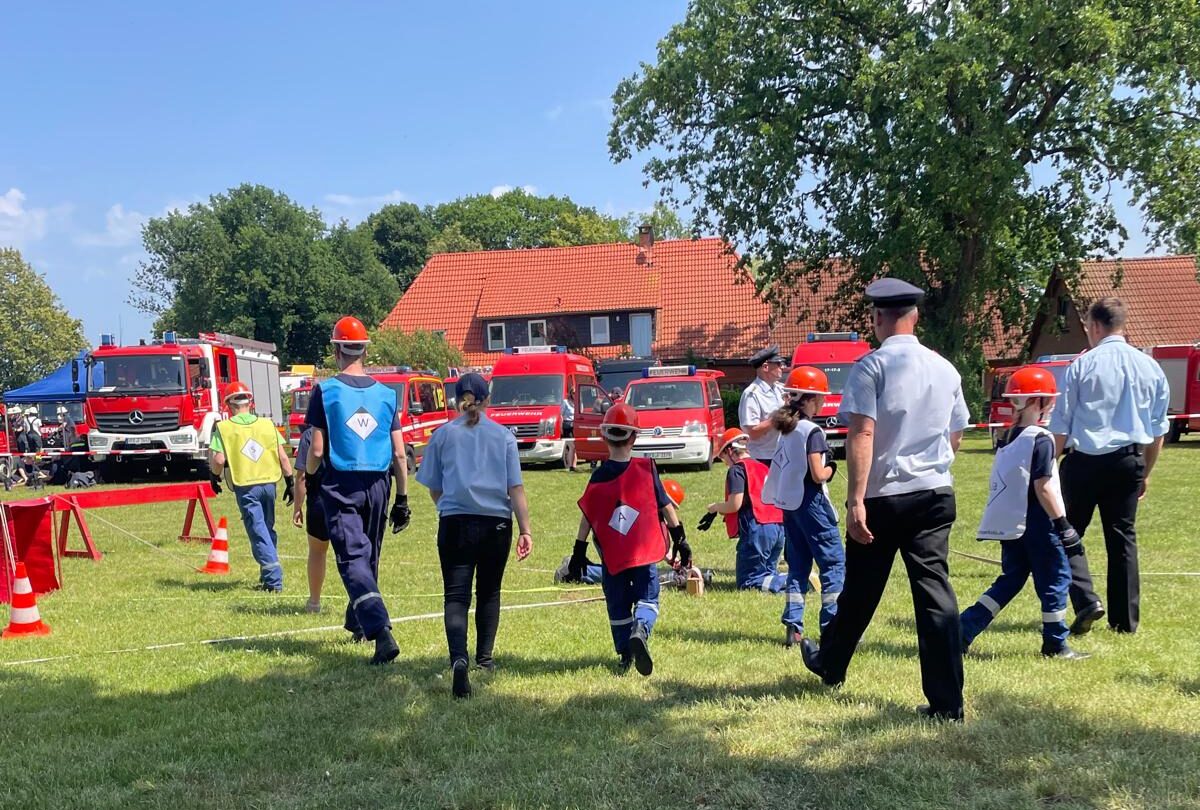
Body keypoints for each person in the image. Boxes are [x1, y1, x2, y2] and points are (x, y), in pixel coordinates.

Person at [799, 278, 971, 723]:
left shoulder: (871, 367)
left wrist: (856, 500)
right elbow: (956, 435)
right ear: (915, 317)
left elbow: (862, 433)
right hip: (934, 493)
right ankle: (947, 701)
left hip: (885, 495)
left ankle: (831, 664)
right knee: (935, 595)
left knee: (860, 590)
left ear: (878, 317)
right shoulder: (946, 369)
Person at [1048, 297, 1171, 635]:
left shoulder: (1082, 366)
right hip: (1128, 459)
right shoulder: (1149, 367)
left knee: (1067, 534)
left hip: (1084, 462)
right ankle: (1125, 622)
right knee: (1122, 540)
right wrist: (1145, 472)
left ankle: (1086, 599)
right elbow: (1159, 429)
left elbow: (1061, 424)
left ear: (1097, 327)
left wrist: (1048, 468)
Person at [415, 373, 533, 698]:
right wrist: (525, 528)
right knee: (489, 593)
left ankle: (458, 659)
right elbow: (516, 488)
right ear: (487, 400)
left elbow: (434, 487)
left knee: (455, 596)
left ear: (456, 399)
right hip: (496, 524)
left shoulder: (441, 435)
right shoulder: (504, 437)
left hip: (454, 522)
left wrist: (449, 506)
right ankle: (485, 658)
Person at [961, 367, 1088, 660]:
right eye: (1048, 399)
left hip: (1012, 524)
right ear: (1036, 402)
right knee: (1056, 578)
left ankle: (964, 629)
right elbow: (1043, 486)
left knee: (1010, 580)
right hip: (1039, 524)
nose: (1052, 404)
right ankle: (1056, 644)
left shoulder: (1009, 437)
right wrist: (1064, 525)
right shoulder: (1041, 439)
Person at [305, 316, 411, 665]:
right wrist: (403, 499)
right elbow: (399, 453)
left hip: (341, 482)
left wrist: (308, 477)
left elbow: (317, 449)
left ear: (336, 349)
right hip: (379, 483)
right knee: (369, 557)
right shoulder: (385, 394)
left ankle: (380, 631)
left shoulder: (326, 390)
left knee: (352, 558)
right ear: (365, 349)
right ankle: (358, 623)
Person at [569, 403, 690, 676]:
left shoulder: (598, 477)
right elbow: (666, 507)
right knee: (648, 599)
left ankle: (625, 654)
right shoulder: (647, 469)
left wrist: (578, 551)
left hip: (612, 557)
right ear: (634, 437)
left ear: (605, 437)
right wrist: (680, 539)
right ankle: (642, 628)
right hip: (645, 551)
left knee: (617, 604)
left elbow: (587, 515)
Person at [764, 367, 845, 647]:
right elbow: (817, 474)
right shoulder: (813, 431)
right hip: (812, 503)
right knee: (833, 565)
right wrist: (832, 466)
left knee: (798, 567)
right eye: (820, 397)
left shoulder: (788, 429)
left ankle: (793, 627)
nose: (823, 402)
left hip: (791, 507)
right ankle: (832, 626)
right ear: (810, 399)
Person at [209, 381, 295, 592]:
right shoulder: (267, 425)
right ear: (250, 402)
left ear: (228, 405)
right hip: (269, 484)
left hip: (246, 486)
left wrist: (214, 477)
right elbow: (284, 457)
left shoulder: (225, 428)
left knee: (258, 532)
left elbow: (219, 460)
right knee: (267, 529)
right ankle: (267, 576)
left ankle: (274, 581)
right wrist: (290, 482)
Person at [701, 428, 788, 593]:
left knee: (747, 582)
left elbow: (735, 504)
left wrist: (716, 507)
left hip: (758, 529)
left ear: (730, 450)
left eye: (723, 457)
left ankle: (792, 579)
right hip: (778, 527)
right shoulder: (762, 467)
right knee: (766, 573)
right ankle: (786, 581)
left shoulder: (737, 470)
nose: (724, 462)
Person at [292, 424, 330, 613]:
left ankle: (314, 602)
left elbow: (302, 476)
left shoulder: (310, 434)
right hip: (349, 498)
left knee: (317, 551)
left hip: (320, 500)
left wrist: (298, 506)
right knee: (351, 554)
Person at [739, 345, 788, 465]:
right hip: (762, 457)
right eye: (778, 364)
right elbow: (752, 432)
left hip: (782, 453)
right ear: (765, 367)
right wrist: (778, 418)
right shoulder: (752, 394)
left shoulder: (780, 389)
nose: (781, 367)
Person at [562, 390, 578, 472]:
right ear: (571, 394)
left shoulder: (579, 402)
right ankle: (570, 466)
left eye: (576, 393)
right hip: (567, 426)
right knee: (572, 446)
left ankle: (574, 466)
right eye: (573, 393)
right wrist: (560, 428)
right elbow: (561, 415)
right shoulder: (565, 402)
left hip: (576, 426)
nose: (575, 394)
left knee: (575, 447)